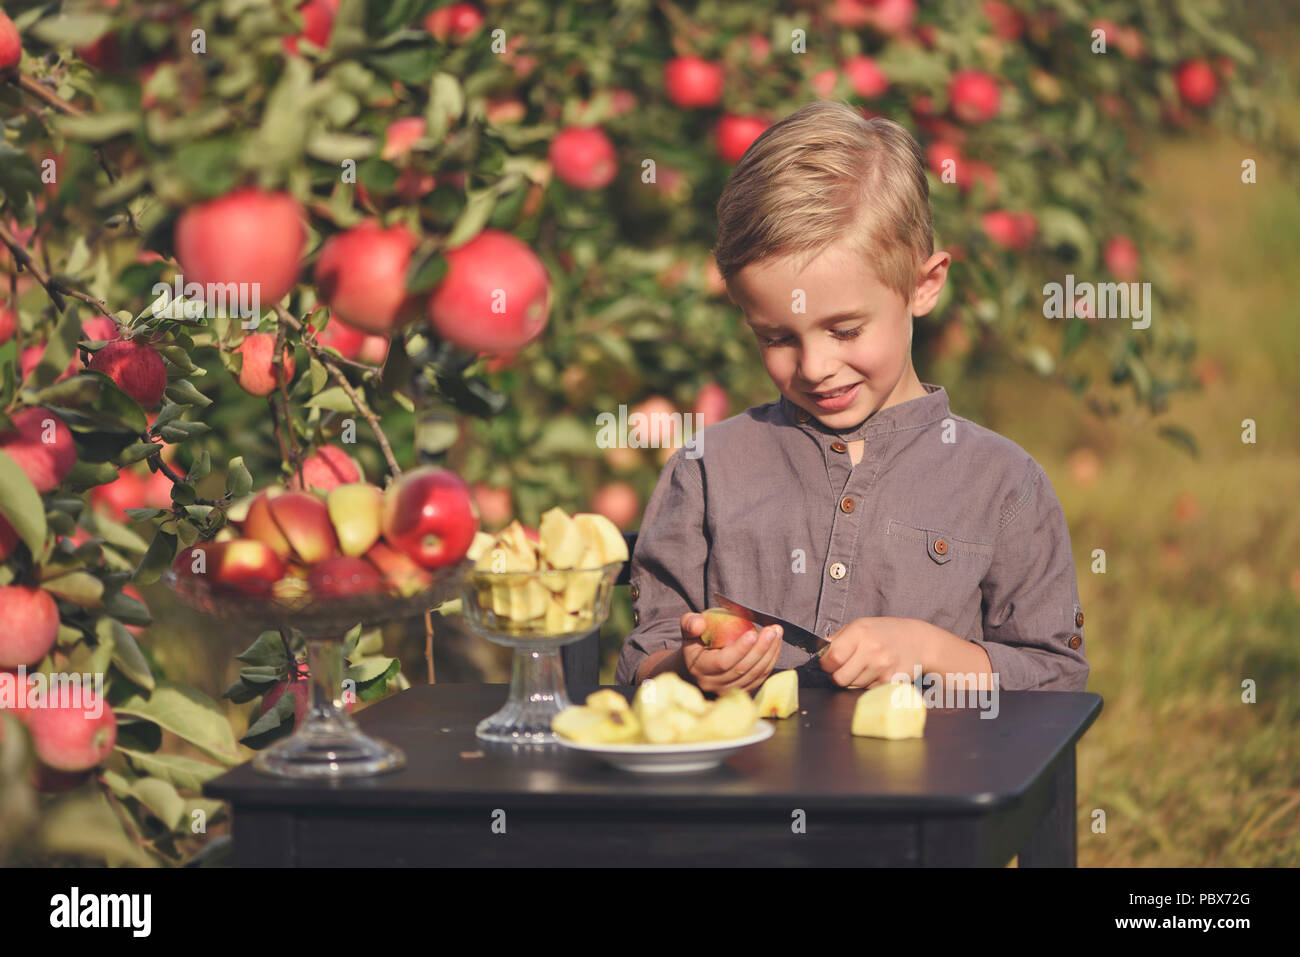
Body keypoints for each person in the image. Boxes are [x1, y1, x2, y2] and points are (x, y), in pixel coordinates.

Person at [614, 100, 1088, 695]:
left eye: (845, 331)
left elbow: (1056, 679)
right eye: (777, 338)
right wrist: (686, 669)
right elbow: (641, 658)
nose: (815, 367)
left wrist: (929, 652)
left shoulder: (1002, 484)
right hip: (745, 786)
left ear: (924, 285)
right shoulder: (707, 470)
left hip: (930, 785)